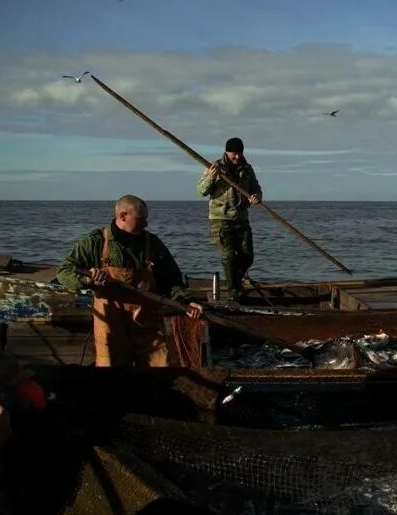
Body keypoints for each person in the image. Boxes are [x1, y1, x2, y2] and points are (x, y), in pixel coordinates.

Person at [57, 195, 203, 367]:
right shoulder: (95, 242)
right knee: (110, 370)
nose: (146, 224)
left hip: (147, 325)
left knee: (160, 369)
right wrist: (87, 280)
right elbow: (64, 272)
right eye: (141, 219)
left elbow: (172, 278)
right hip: (110, 325)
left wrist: (185, 301)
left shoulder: (153, 244)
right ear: (122, 216)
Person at [197, 137, 263, 302]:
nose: (237, 157)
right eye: (234, 154)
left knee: (248, 255)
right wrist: (211, 178)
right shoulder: (215, 167)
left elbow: (256, 188)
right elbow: (201, 191)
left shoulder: (247, 169)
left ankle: (234, 282)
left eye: (240, 153)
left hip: (241, 218)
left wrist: (256, 197)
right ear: (227, 152)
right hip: (221, 218)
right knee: (229, 256)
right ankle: (234, 291)